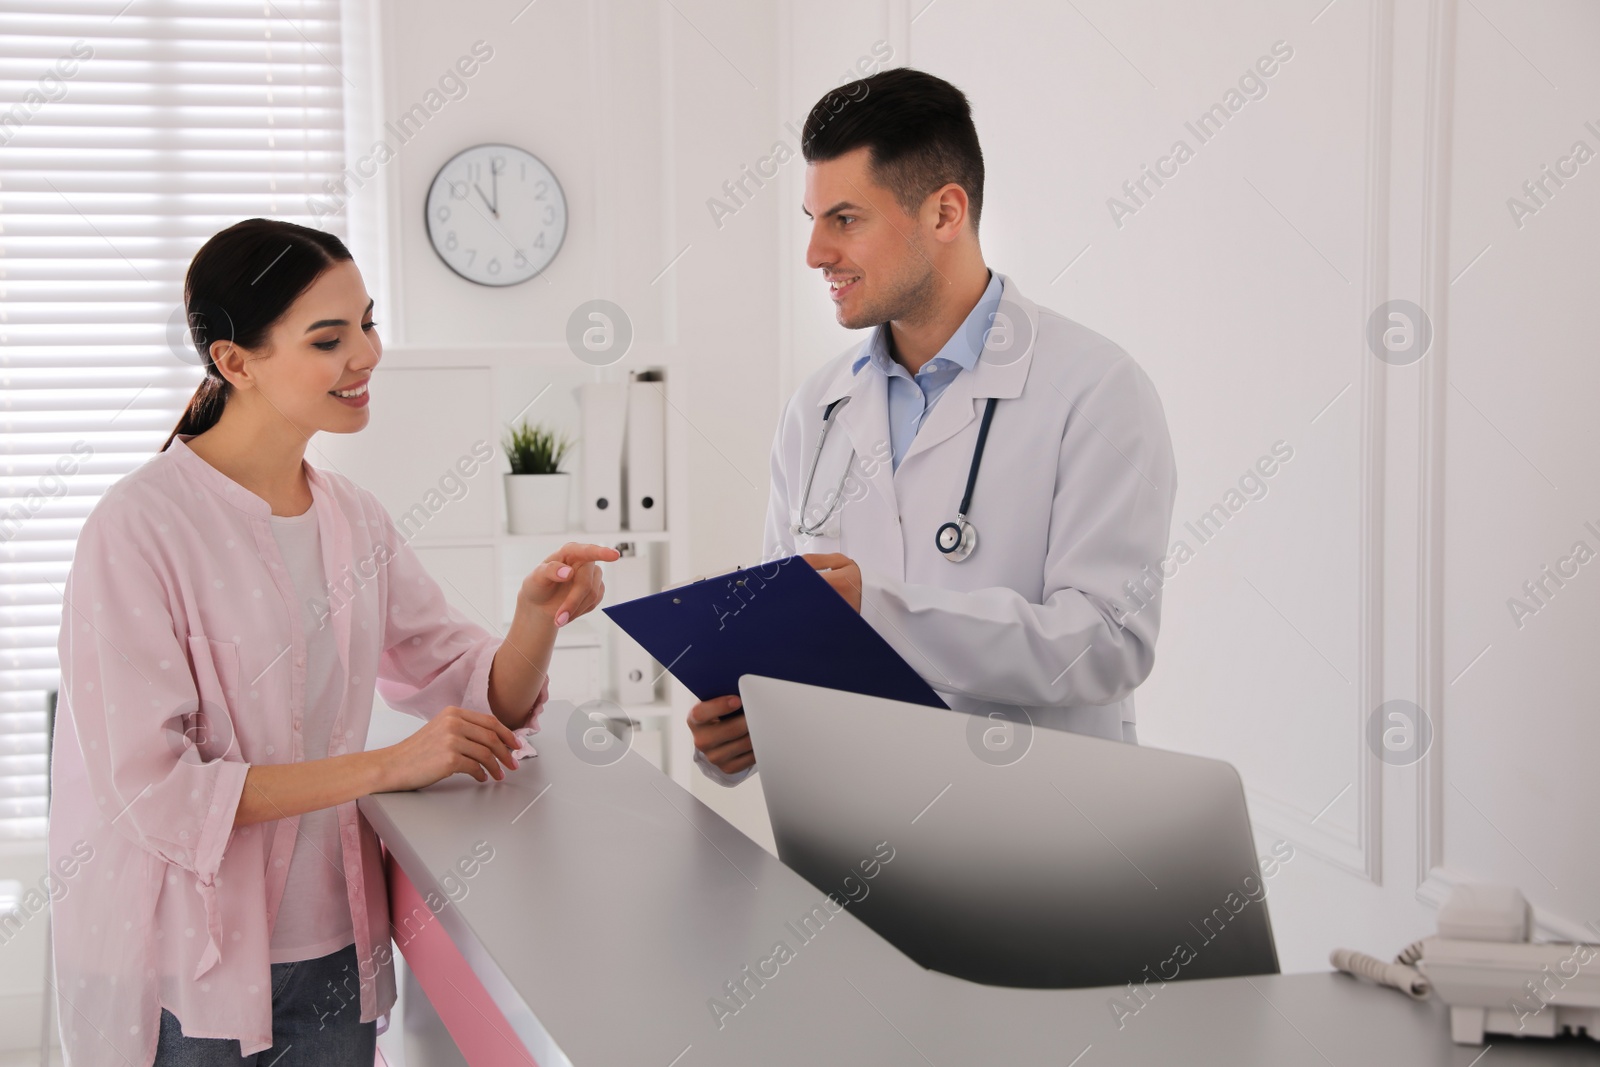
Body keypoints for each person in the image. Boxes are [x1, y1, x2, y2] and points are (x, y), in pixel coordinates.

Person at [46, 218, 619, 1066]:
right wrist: (388, 766)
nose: (367, 354)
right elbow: (154, 792)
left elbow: (467, 691)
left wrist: (538, 617)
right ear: (234, 361)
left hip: (334, 949)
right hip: (189, 964)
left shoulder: (354, 519)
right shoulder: (139, 527)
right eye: (329, 338)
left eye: (368, 322)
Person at [689, 68, 1178, 783]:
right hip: (849, 827)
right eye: (813, 220)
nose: (815, 253)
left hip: (1034, 838)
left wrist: (881, 608)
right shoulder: (818, 409)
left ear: (946, 213)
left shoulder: (1096, 390)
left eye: (845, 219)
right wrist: (739, 730)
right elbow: (781, 644)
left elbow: (1106, 643)